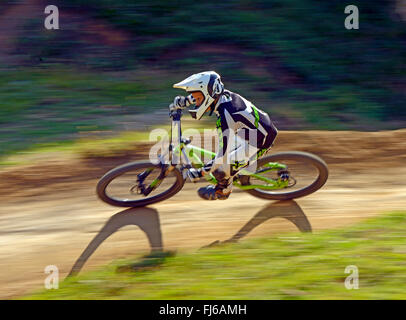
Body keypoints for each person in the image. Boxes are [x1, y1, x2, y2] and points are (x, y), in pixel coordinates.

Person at [169, 71, 278, 200]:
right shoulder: (220, 96)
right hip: (251, 129)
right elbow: (204, 96)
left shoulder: (227, 115)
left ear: (209, 94)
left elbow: (222, 156)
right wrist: (186, 101)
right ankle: (235, 169)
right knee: (224, 158)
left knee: (219, 170)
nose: (196, 102)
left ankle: (224, 190)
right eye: (195, 98)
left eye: (197, 99)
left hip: (261, 140)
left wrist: (201, 172)